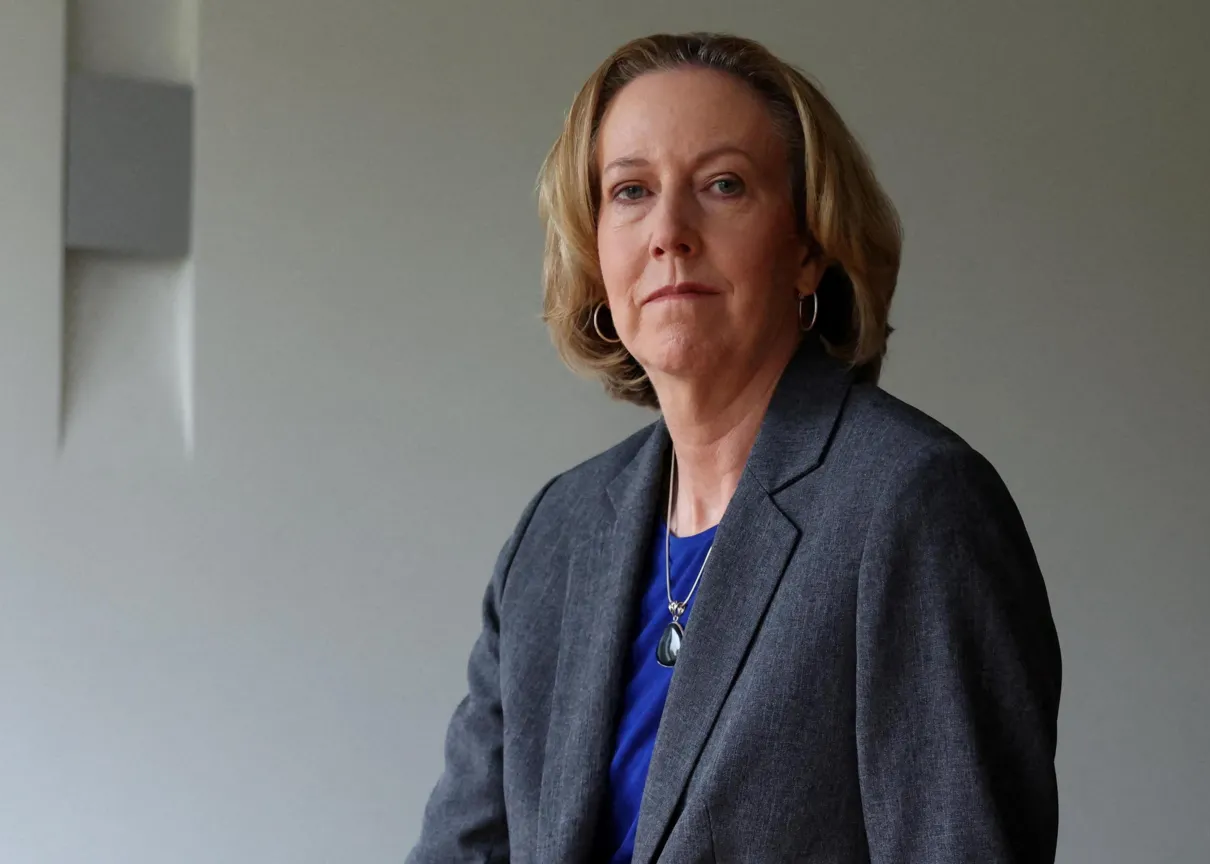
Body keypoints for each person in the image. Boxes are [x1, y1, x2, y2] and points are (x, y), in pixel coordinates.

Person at [407, 32, 1061, 864]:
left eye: (723, 185)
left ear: (807, 249)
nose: (669, 232)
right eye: (631, 191)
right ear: (596, 250)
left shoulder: (915, 505)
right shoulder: (554, 534)